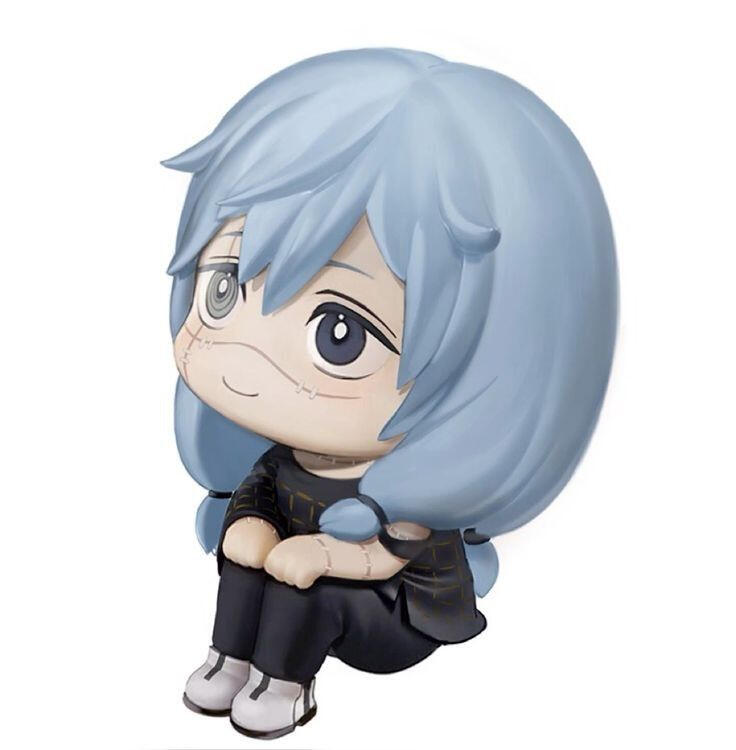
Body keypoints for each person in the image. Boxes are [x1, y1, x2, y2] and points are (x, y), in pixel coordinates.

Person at [164, 48, 617, 739]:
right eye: (223, 289)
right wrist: (249, 531)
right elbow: (258, 499)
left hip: (393, 609)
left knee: (306, 591)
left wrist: (322, 555)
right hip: (298, 574)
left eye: (339, 333)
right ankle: (229, 660)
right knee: (247, 563)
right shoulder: (285, 460)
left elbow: (389, 555)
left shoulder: (409, 490)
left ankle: (284, 685)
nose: (244, 362)